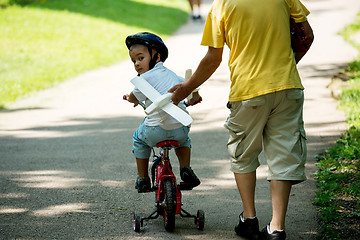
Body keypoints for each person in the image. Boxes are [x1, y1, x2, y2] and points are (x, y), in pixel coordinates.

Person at [169, 0, 314, 239]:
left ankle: (249, 219)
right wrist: (288, 65)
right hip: (287, 88)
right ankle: (277, 227)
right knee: (284, 156)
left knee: (243, 154)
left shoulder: (222, 6)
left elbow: (213, 59)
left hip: (248, 92)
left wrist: (187, 87)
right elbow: (306, 35)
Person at [124, 32, 201, 193]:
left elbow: (133, 97)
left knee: (138, 139)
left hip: (154, 131)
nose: (137, 64)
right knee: (185, 140)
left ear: (157, 57)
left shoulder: (142, 80)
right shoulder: (175, 76)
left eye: (140, 58)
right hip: (180, 129)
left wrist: (131, 99)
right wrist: (193, 99)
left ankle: (143, 178)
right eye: (134, 61)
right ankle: (185, 168)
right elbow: (192, 92)